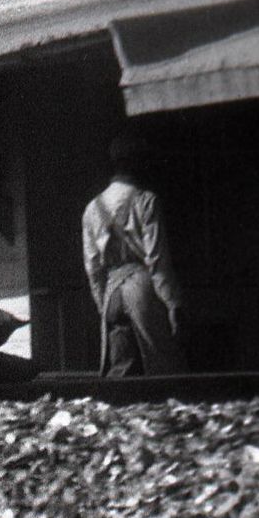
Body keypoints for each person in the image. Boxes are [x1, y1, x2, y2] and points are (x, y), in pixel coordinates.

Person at [82, 133, 182, 378]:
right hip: (142, 288)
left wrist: (102, 304)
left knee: (121, 373)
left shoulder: (92, 209)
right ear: (138, 163)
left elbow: (93, 267)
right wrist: (172, 302)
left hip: (112, 293)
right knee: (162, 369)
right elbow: (157, 260)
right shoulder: (146, 200)